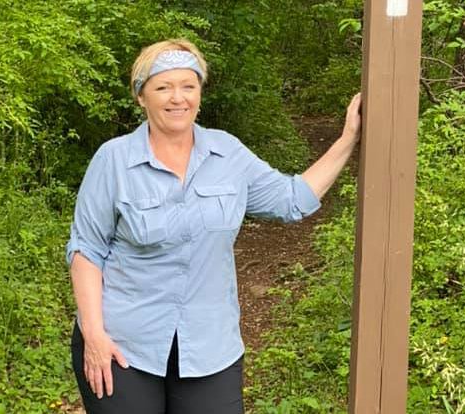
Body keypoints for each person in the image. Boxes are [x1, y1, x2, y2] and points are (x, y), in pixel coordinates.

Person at [66, 38, 361, 414]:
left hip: (209, 349)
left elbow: (291, 200)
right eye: (163, 87)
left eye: (188, 86)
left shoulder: (228, 154)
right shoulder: (113, 160)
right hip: (124, 346)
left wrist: (348, 138)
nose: (178, 98)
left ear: (200, 93)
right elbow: (86, 251)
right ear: (141, 96)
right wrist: (93, 335)